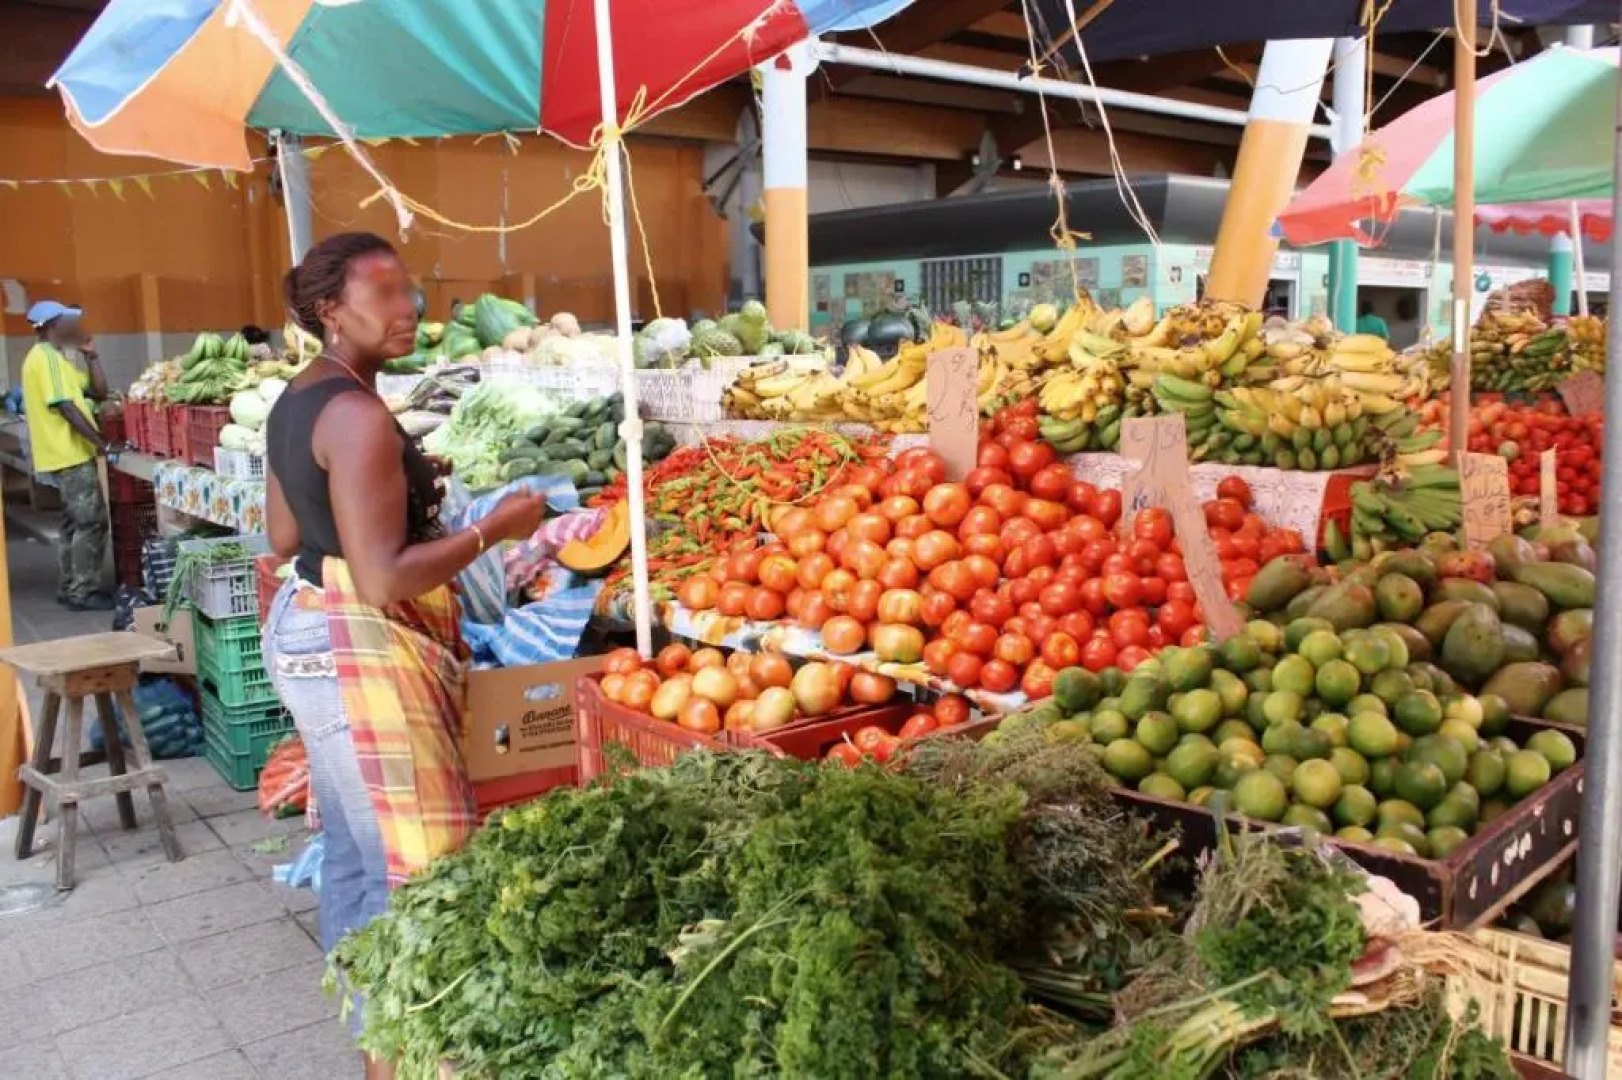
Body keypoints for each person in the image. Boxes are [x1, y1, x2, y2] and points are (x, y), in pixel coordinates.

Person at [262, 232, 544, 1074]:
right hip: (354, 646)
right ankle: (405, 1058)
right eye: (382, 294)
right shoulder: (356, 416)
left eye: (409, 291)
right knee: (409, 866)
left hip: (307, 628)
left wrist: (395, 489)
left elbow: (283, 535)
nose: (407, 309)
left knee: (356, 855)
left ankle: (376, 1050)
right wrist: (495, 528)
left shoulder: (300, 398)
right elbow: (383, 576)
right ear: (330, 310)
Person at [21, 300, 112, 611]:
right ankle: (83, 591)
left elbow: (98, 392)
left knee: (73, 523)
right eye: (70, 322)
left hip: (67, 454)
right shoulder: (45, 358)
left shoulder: (57, 360)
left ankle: (69, 586)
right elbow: (65, 407)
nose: (76, 327)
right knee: (92, 521)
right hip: (68, 454)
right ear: (53, 325)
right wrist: (101, 443)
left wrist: (92, 356)